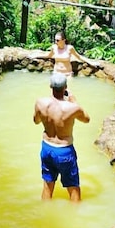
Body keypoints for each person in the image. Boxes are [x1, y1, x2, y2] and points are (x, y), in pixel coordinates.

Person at [33, 72, 90, 202]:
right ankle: (75, 219)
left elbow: (36, 121)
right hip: (64, 151)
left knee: (47, 186)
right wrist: (74, 101)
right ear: (65, 87)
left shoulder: (40, 103)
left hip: (46, 148)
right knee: (73, 188)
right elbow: (87, 119)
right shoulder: (72, 108)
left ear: (50, 86)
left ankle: (45, 215)